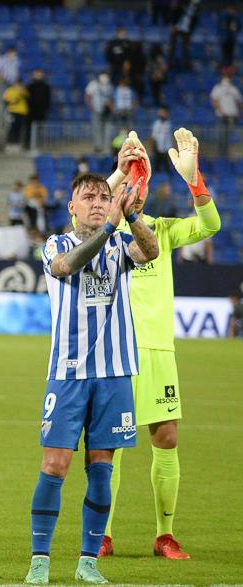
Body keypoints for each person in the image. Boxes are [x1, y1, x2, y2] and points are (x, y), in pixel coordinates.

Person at [22, 159, 159, 586]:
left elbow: (151, 251)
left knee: (101, 469)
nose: (98, 203)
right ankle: (40, 561)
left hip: (115, 373)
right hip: (68, 374)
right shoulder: (55, 245)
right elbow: (67, 266)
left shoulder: (120, 243)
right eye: (89, 197)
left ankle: (87, 562)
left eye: (104, 197)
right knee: (54, 465)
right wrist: (111, 226)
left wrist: (132, 216)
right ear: (72, 207)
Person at [99, 132, 219, 561]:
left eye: (139, 181)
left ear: (147, 189)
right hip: (115, 352)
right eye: (128, 182)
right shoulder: (103, 232)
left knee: (166, 439)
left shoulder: (162, 231)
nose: (135, 189)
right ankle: (102, 535)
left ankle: (164, 535)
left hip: (158, 353)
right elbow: (80, 218)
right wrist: (116, 173)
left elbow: (210, 226)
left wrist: (194, 180)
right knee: (108, 446)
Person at [210, 71, 241, 158]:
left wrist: (239, 113)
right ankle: (221, 155)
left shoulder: (233, 89)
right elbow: (214, 100)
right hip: (223, 117)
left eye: (228, 77)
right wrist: (220, 111)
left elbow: (239, 102)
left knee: (229, 137)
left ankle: (228, 156)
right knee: (222, 136)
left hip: (233, 117)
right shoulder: (218, 88)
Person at [169, 0, 200, 72]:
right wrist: (173, 25)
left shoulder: (197, 8)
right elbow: (174, 13)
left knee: (186, 49)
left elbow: (195, 21)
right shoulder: (183, 2)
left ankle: (185, 67)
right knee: (173, 47)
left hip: (186, 30)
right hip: (176, 28)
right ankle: (171, 65)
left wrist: (191, 32)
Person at [85, 73, 114, 153]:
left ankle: (106, 147)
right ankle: (98, 146)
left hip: (106, 111)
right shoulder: (93, 84)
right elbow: (88, 95)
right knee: (97, 129)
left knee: (107, 129)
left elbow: (111, 98)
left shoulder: (109, 86)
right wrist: (91, 106)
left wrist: (111, 107)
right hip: (96, 110)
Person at [26, 69, 51, 152]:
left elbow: (48, 99)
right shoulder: (30, 86)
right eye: (36, 74)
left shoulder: (46, 86)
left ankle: (38, 145)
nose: (38, 75)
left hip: (41, 112)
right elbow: (27, 99)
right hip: (30, 112)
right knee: (29, 129)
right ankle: (28, 145)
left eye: (40, 74)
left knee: (40, 128)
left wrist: (45, 109)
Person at [3, 79, 30, 150]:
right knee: (12, 128)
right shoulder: (9, 90)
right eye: (17, 84)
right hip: (13, 112)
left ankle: (18, 144)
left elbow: (27, 97)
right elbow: (6, 100)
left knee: (20, 128)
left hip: (22, 112)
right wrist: (15, 98)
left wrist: (21, 92)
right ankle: (10, 144)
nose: (19, 85)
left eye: (20, 84)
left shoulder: (24, 90)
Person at [148, 107, 173, 174]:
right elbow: (153, 136)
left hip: (167, 148)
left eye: (163, 113)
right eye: (160, 113)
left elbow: (170, 137)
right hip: (158, 148)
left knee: (167, 166)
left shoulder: (169, 124)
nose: (161, 114)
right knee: (157, 166)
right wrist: (152, 148)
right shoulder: (156, 124)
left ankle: (169, 177)